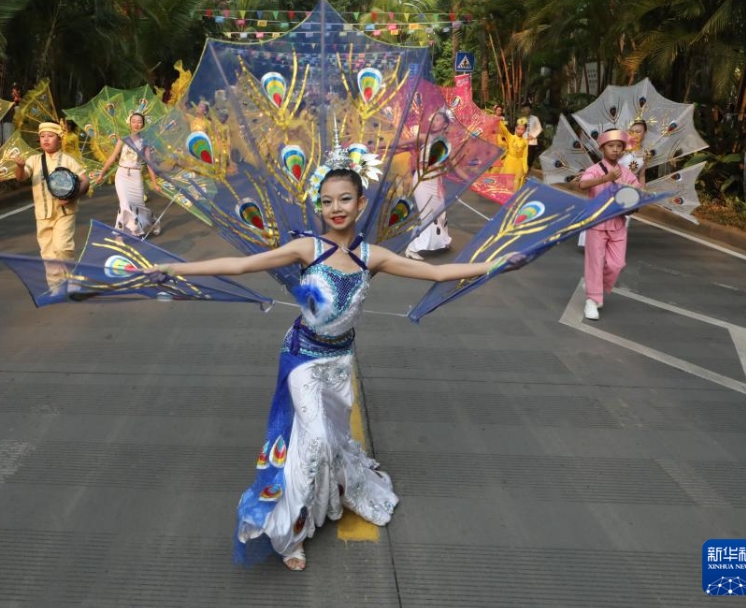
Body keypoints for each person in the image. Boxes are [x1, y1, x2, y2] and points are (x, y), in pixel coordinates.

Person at [150, 167, 523, 571]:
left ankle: (336, 490)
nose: (336, 208)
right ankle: (289, 536)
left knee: (333, 438)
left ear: (361, 203)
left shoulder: (371, 256)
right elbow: (242, 266)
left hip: (340, 362)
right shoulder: (308, 249)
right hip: (302, 358)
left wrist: (496, 265)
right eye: (327, 201)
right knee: (316, 442)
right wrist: (177, 269)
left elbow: (436, 273)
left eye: (345, 199)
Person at [14, 122, 90, 286]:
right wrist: (19, 167)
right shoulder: (34, 160)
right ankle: (56, 286)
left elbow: (85, 180)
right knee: (48, 253)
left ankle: (72, 280)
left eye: (50, 136)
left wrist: (73, 196)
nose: (46, 139)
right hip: (42, 214)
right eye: (42, 136)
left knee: (62, 248)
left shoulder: (68, 160)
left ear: (59, 139)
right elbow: (21, 177)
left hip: (65, 211)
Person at [577, 129, 641, 320]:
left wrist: (634, 205)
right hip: (597, 222)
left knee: (617, 264)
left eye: (619, 146)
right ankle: (592, 300)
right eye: (611, 146)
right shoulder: (594, 169)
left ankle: (593, 285)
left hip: (618, 224)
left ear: (623, 150)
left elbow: (636, 195)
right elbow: (582, 185)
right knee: (595, 263)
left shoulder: (627, 173)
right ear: (603, 148)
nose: (615, 150)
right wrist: (605, 179)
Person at [94, 112, 161, 238]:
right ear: (129, 123)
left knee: (139, 206)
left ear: (143, 124)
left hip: (136, 176)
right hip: (122, 175)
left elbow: (149, 163)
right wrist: (102, 173)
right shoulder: (123, 139)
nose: (136, 124)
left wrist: (155, 183)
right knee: (124, 204)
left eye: (139, 121)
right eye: (134, 121)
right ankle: (121, 234)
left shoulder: (145, 142)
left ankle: (154, 222)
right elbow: (113, 157)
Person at [404, 108, 453, 260]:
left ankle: (442, 240)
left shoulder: (448, 145)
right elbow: (401, 143)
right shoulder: (424, 138)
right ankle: (412, 248)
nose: (433, 122)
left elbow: (456, 167)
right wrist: (379, 147)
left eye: (438, 119)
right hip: (421, 180)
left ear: (445, 124)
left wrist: (474, 180)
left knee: (439, 212)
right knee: (426, 215)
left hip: (436, 181)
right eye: (433, 119)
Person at [497, 118, 530, 189]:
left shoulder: (525, 142)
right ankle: (503, 196)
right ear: (515, 128)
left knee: (515, 182)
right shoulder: (511, 137)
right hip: (509, 161)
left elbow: (525, 155)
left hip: (518, 164)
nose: (520, 131)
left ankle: (511, 197)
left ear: (525, 130)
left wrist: (524, 167)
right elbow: (504, 130)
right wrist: (499, 121)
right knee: (507, 180)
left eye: (522, 129)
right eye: (518, 128)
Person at [521, 102, 542, 168]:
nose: (527, 110)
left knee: (530, 158)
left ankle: (527, 171)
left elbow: (540, 128)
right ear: (523, 109)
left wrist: (533, 136)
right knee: (523, 158)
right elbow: (518, 130)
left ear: (530, 109)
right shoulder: (521, 119)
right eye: (525, 108)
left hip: (532, 142)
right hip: (523, 141)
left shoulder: (535, 118)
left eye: (528, 108)